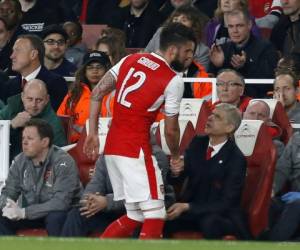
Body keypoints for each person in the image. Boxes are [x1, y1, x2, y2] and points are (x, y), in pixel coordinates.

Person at [83, 23, 197, 239]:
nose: (190, 57)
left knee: (135, 214)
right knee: (156, 212)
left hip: (113, 148)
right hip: (136, 149)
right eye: (188, 51)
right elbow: (171, 130)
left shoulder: (130, 59)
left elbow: (96, 93)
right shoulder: (173, 80)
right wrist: (174, 155)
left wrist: (92, 134)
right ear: (172, 50)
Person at [61, 134, 175, 237]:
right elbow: (95, 183)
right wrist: (90, 200)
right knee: (78, 213)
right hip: (112, 210)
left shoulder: (154, 155)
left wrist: (107, 202)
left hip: (144, 208)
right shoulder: (109, 153)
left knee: (142, 216)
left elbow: (144, 195)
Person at [165, 103, 250, 239]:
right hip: (192, 211)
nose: (210, 118)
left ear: (230, 128)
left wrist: (188, 207)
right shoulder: (197, 143)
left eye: (217, 117)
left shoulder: (236, 158)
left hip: (221, 215)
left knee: (209, 223)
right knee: (160, 218)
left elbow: (227, 203)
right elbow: (176, 179)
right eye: (211, 114)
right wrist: (176, 171)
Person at [0, 118, 81, 236]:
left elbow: (60, 202)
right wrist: (5, 206)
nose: (24, 142)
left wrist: (24, 212)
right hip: (35, 213)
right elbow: (9, 191)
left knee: (55, 217)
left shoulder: (63, 162)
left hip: (65, 213)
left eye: (30, 139)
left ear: (45, 142)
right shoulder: (19, 161)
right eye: (23, 138)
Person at [209, 9, 278, 97]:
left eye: (239, 26)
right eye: (231, 26)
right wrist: (218, 66)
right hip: (224, 101)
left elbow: (268, 83)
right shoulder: (222, 49)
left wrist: (245, 65)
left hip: (254, 101)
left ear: (249, 25)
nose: (235, 31)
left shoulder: (266, 47)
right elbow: (212, 82)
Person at [0, 79, 67, 161]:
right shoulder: (12, 107)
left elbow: (58, 155)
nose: (33, 105)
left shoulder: (53, 123)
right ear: (22, 97)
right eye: (30, 99)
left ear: (47, 100)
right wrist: (11, 125)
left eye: (39, 100)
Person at [0, 34, 68, 111]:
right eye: (13, 51)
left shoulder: (56, 83)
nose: (12, 56)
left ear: (33, 54)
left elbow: (52, 117)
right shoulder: (9, 85)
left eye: (17, 50)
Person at [57, 51, 112, 143]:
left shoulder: (114, 94)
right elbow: (61, 120)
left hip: (105, 145)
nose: (95, 71)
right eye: (90, 67)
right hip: (75, 145)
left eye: (99, 67)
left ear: (107, 70)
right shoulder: (74, 94)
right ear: (84, 71)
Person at [145, 5, 210, 69]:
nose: (178, 22)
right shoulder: (160, 33)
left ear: (194, 26)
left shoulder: (202, 51)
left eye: (184, 20)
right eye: (175, 19)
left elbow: (200, 77)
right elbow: (146, 55)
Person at [268, 131, 300, 241]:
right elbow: (282, 169)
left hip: (297, 202)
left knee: (296, 206)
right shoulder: (297, 139)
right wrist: (272, 189)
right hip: (292, 196)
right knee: (269, 205)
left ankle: (274, 245)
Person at [0, 0, 27, 74]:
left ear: (19, 16)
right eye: (1, 10)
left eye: (10, 11)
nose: (4, 14)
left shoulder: (27, 39)